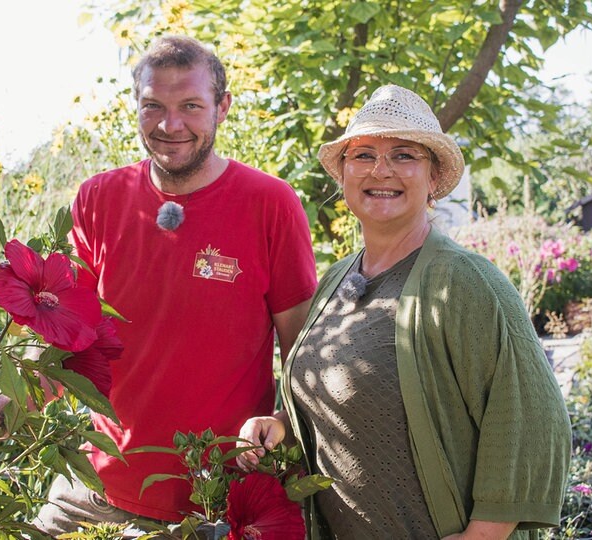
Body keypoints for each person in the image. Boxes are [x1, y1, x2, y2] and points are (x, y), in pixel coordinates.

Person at [0, 35, 317, 534]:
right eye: (153, 106)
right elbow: (67, 345)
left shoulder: (269, 204)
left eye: (191, 106)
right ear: (135, 106)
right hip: (94, 490)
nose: (169, 124)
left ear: (223, 107)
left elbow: (306, 355)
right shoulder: (99, 199)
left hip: (215, 503)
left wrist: (281, 426)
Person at [237, 84, 572, 539]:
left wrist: (482, 536)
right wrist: (279, 424)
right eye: (363, 155)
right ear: (343, 175)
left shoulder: (464, 282)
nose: (381, 170)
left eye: (403, 155)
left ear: (433, 179)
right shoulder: (335, 279)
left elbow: (530, 417)